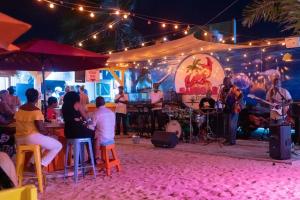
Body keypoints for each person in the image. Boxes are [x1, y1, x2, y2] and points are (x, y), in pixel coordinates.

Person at [14, 88, 62, 167]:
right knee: (58, 145)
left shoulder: (20, 109)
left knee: (44, 143)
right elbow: (41, 129)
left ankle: (32, 163)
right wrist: (49, 132)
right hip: (31, 138)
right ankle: (40, 165)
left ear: (27, 97)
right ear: (36, 98)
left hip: (19, 139)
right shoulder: (36, 110)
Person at [219, 77, 243, 145]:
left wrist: (235, 103)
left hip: (234, 109)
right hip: (227, 108)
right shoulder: (223, 89)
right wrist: (222, 101)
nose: (225, 83)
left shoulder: (234, 88)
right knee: (226, 125)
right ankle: (227, 139)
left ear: (229, 82)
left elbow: (240, 95)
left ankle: (232, 141)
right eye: (224, 81)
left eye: (226, 81)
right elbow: (222, 98)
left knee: (232, 126)